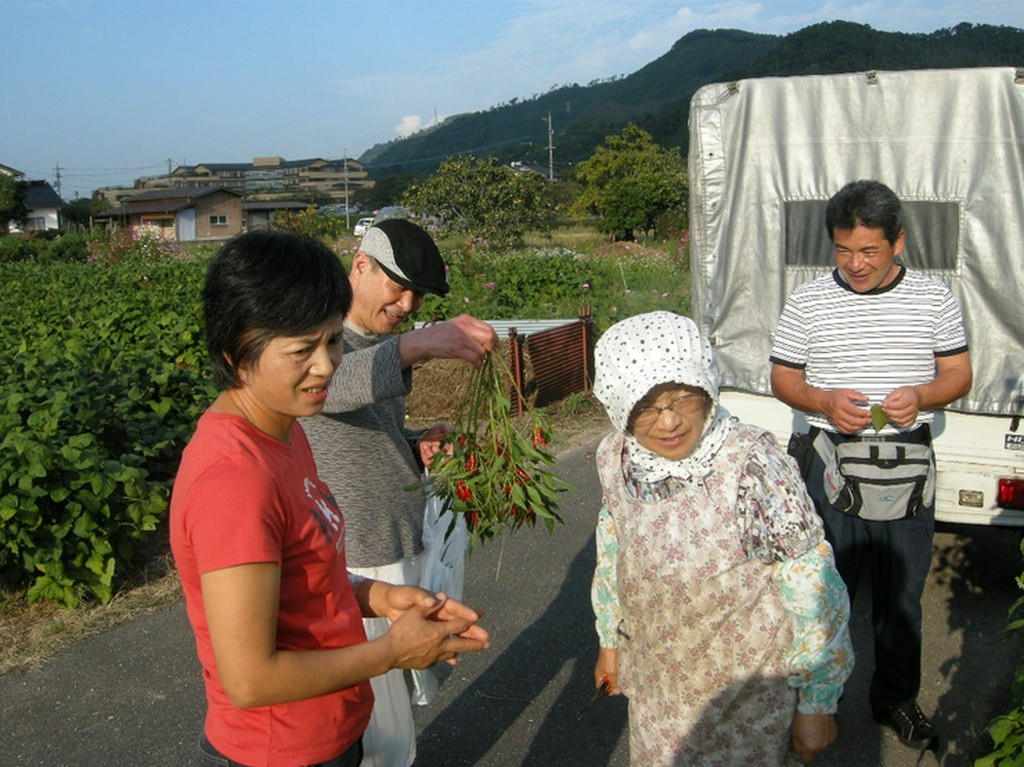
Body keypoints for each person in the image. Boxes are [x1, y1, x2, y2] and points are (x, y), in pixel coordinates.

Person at [170, 230, 490, 767]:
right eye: (302, 351)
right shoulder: (233, 481)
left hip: (326, 730)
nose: (326, 366)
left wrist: (377, 598)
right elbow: (250, 679)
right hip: (280, 750)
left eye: (332, 341)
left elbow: (303, 575)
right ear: (235, 352)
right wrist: (392, 651)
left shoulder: (284, 431)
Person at [590, 311, 854, 766]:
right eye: (648, 407)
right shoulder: (615, 457)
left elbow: (812, 585)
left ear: (708, 388)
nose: (669, 422)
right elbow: (614, 551)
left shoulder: (753, 463)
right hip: (659, 686)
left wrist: (817, 702)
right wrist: (609, 644)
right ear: (619, 405)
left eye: (683, 399)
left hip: (747, 694)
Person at [770, 179, 972, 752]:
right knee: (818, 592)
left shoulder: (934, 299)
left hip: (906, 469)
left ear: (898, 242)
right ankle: (813, 701)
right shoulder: (807, 300)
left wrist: (925, 395)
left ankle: (895, 700)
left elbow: (959, 373)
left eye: (869, 251)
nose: (855, 263)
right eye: (842, 250)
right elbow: (783, 377)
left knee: (900, 596)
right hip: (830, 463)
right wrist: (823, 401)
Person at [303, 218, 499, 767]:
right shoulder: (325, 344)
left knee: (394, 698)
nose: (407, 304)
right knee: (379, 722)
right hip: (359, 556)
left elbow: (364, 424)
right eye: (398, 286)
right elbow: (330, 388)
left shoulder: (372, 343)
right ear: (360, 266)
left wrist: (416, 445)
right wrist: (420, 344)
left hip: (396, 540)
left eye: (417, 296)